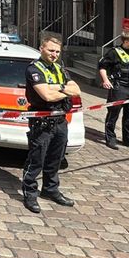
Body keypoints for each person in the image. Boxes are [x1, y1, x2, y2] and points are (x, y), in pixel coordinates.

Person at [22, 35, 81, 214]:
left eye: (57, 51)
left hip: (60, 120)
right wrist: (64, 89)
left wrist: (57, 88)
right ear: (41, 49)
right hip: (42, 122)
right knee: (36, 160)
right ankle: (30, 194)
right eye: (50, 50)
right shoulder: (34, 69)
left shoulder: (59, 68)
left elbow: (76, 89)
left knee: (56, 158)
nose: (54, 54)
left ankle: (50, 189)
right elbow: (46, 96)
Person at [98, 31, 129, 151]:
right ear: (126, 42)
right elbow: (102, 67)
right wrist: (105, 80)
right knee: (113, 114)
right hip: (119, 87)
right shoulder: (113, 53)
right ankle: (110, 138)